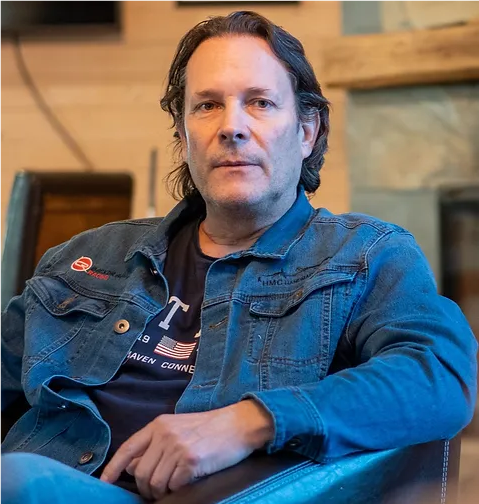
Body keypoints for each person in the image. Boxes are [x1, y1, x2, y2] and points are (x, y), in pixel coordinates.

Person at [0, 10, 477, 504]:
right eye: (207, 105)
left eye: (260, 103)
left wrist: (248, 421)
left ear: (306, 131)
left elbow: (438, 374)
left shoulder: (364, 256)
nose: (232, 127)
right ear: (183, 135)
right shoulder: (88, 256)